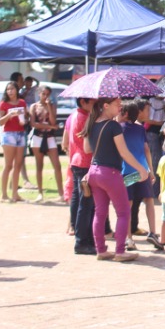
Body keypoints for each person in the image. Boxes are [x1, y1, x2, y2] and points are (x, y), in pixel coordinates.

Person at [84, 96, 146, 262]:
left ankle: (101, 250)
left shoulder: (92, 122)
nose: (120, 107)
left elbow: (87, 148)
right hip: (110, 173)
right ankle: (120, 251)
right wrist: (141, 168)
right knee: (124, 212)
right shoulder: (113, 125)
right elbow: (124, 152)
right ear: (106, 106)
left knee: (100, 212)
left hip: (94, 172)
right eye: (117, 104)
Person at [119, 99, 161, 250]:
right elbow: (146, 149)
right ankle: (153, 232)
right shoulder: (140, 129)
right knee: (149, 200)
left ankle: (128, 238)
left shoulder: (118, 128)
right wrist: (150, 170)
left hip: (127, 172)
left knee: (128, 204)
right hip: (142, 171)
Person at [63, 96, 97, 254]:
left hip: (76, 161)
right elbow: (88, 145)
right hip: (84, 162)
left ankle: (80, 235)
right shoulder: (84, 118)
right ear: (83, 102)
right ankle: (82, 241)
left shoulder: (74, 116)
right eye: (92, 101)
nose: (94, 104)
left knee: (79, 201)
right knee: (86, 204)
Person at [28, 85, 62, 203]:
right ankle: (40, 193)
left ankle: (61, 193)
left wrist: (48, 107)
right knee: (39, 165)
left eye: (47, 94)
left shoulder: (52, 106)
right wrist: (50, 127)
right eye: (43, 94)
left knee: (57, 165)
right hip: (38, 137)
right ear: (39, 94)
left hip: (50, 137)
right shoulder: (33, 107)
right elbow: (33, 124)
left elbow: (53, 120)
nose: (45, 96)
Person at [0, 81, 28, 203]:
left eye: (12, 89)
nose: (10, 91)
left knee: (18, 164)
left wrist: (23, 120)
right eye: (8, 89)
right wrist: (9, 115)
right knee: (8, 164)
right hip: (8, 134)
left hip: (20, 133)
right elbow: (0, 122)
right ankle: (4, 194)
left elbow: (25, 117)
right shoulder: (3, 104)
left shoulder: (22, 103)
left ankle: (15, 193)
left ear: (16, 90)